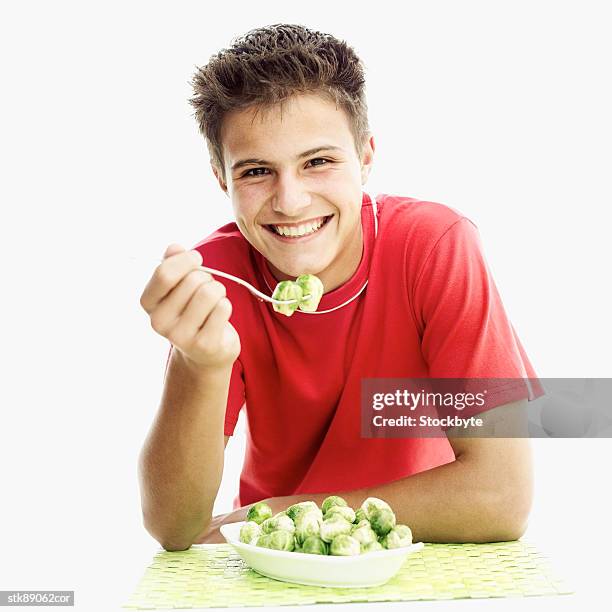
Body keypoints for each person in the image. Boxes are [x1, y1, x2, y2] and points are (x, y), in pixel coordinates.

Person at [138, 24, 538, 552]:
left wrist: (288, 509)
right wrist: (201, 364)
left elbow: (500, 497)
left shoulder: (433, 246)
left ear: (366, 157)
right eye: (257, 171)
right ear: (221, 179)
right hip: (276, 563)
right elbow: (173, 526)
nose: (291, 201)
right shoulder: (217, 279)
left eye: (318, 162)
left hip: (422, 548)